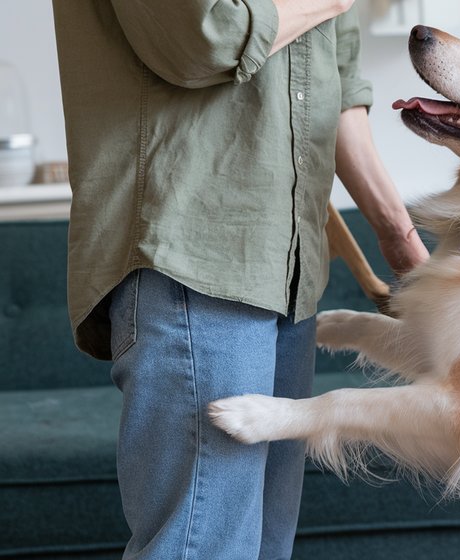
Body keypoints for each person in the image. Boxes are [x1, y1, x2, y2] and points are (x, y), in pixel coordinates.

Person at [51, 1, 428, 558]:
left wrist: (400, 237)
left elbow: (340, 85)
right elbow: (201, 35)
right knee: (202, 546)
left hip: (289, 267)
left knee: (264, 546)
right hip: (193, 256)